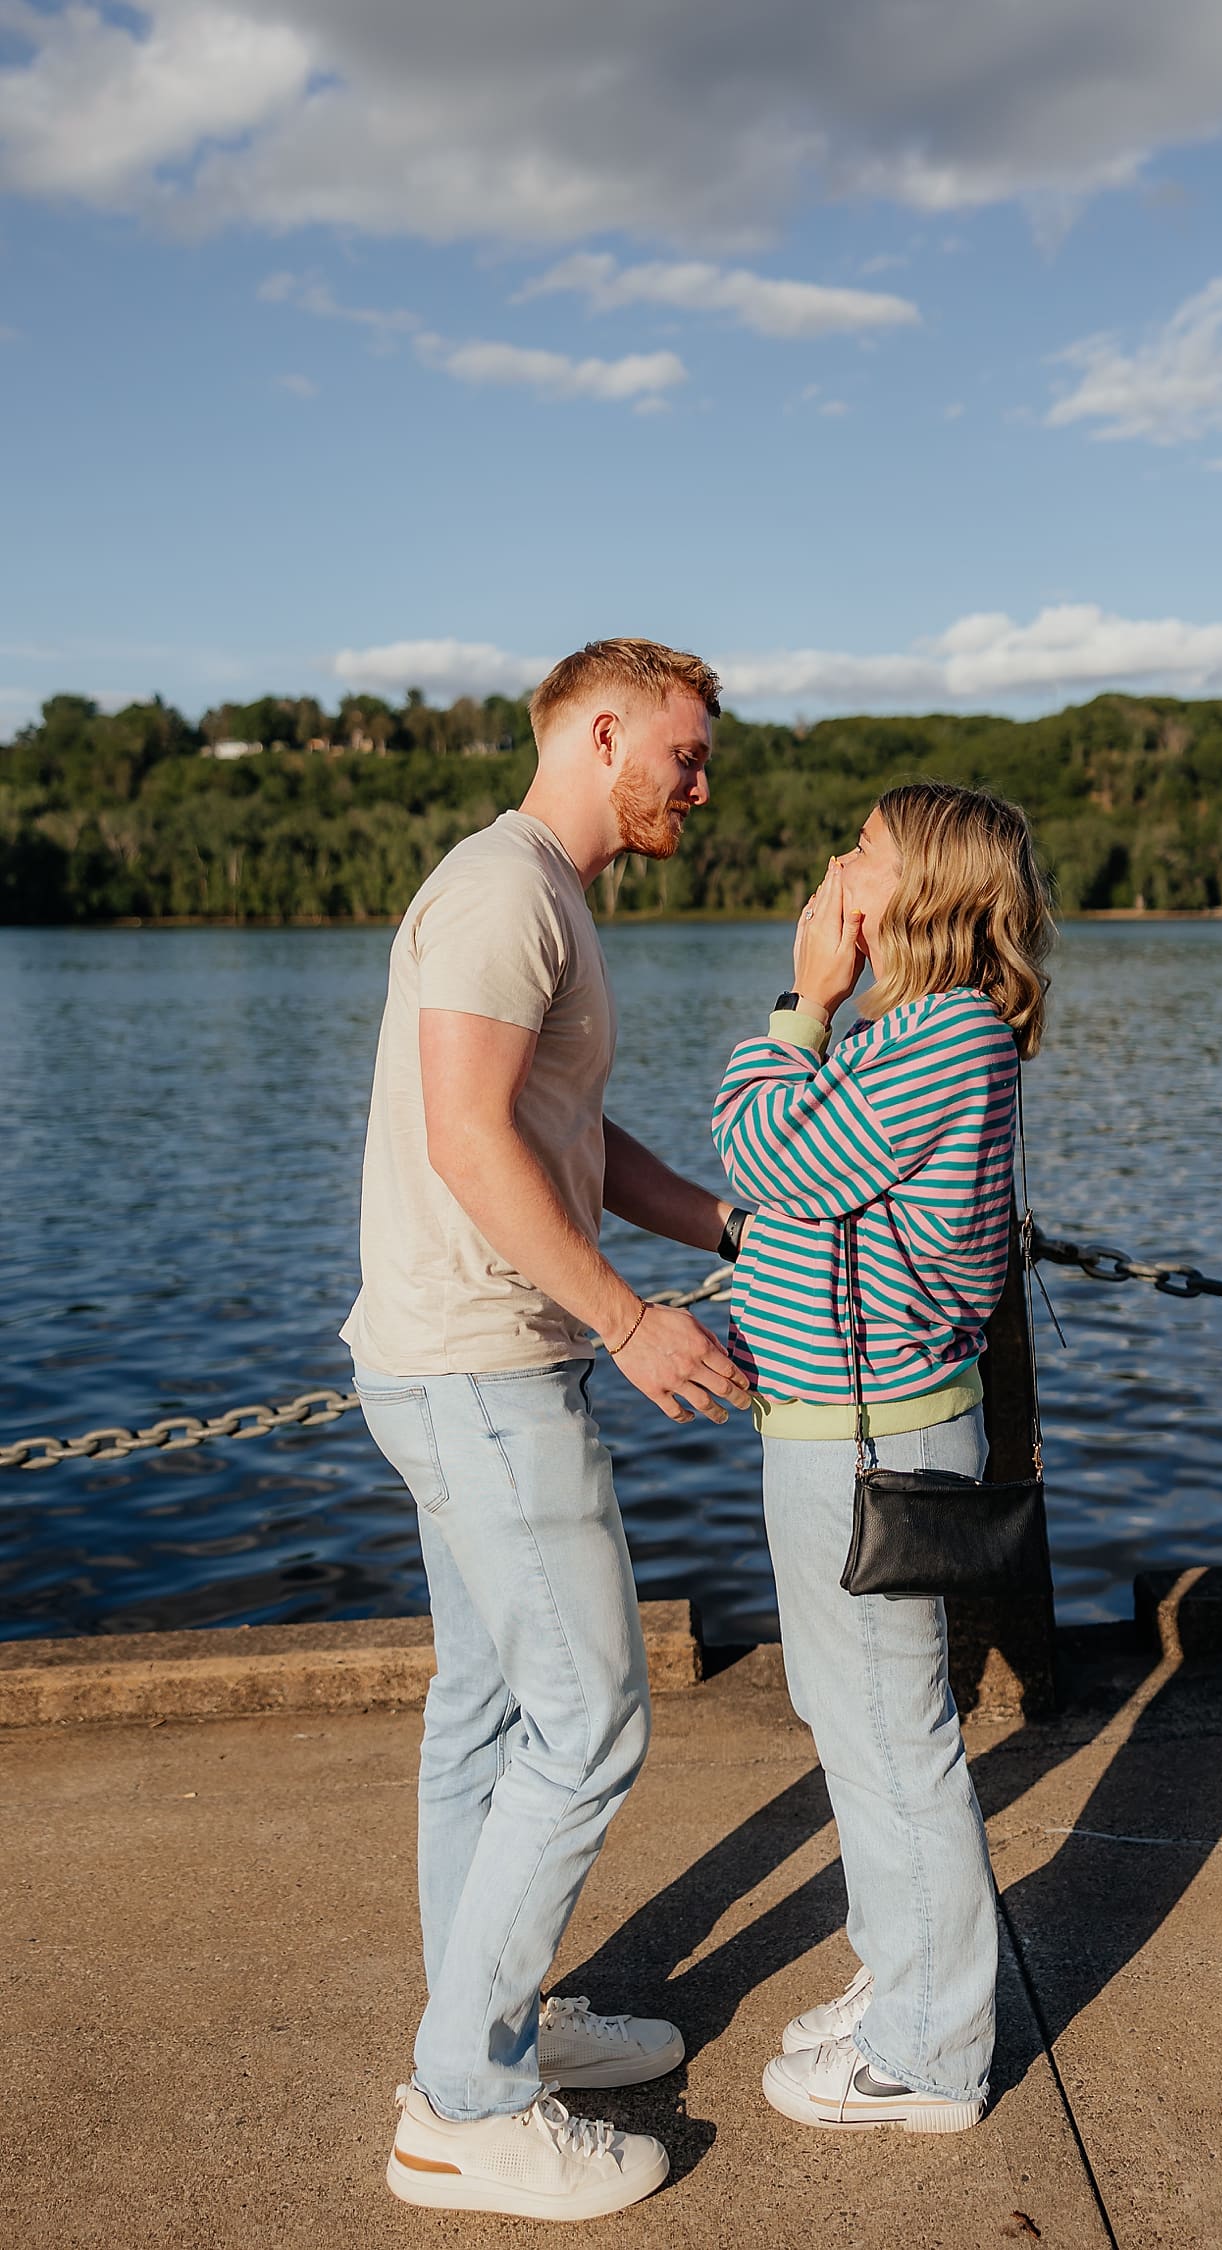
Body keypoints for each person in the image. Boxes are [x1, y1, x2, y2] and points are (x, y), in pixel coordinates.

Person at [342, 638, 751, 2220]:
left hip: (462, 1364)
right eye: (687, 753)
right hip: (486, 1370)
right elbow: (464, 1137)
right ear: (601, 731)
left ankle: (493, 2009)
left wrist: (715, 1225)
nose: (701, 784)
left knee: (489, 1709)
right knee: (592, 1717)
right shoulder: (504, 890)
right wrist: (631, 1319)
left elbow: (561, 1128)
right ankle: (465, 2100)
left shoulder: (548, 895)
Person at [711, 780, 1052, 2135]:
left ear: (921, 894)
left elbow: (760, 1146)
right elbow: (802, 1190)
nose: (834, 860)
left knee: (895, 1738)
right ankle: (902, 1969)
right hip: (838, 1427)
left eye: (861, 847)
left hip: (873, 1439)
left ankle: (929, 2052)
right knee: (851, 1721)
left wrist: (801, 1000)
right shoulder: (915, 1033)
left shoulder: (944, 1036)